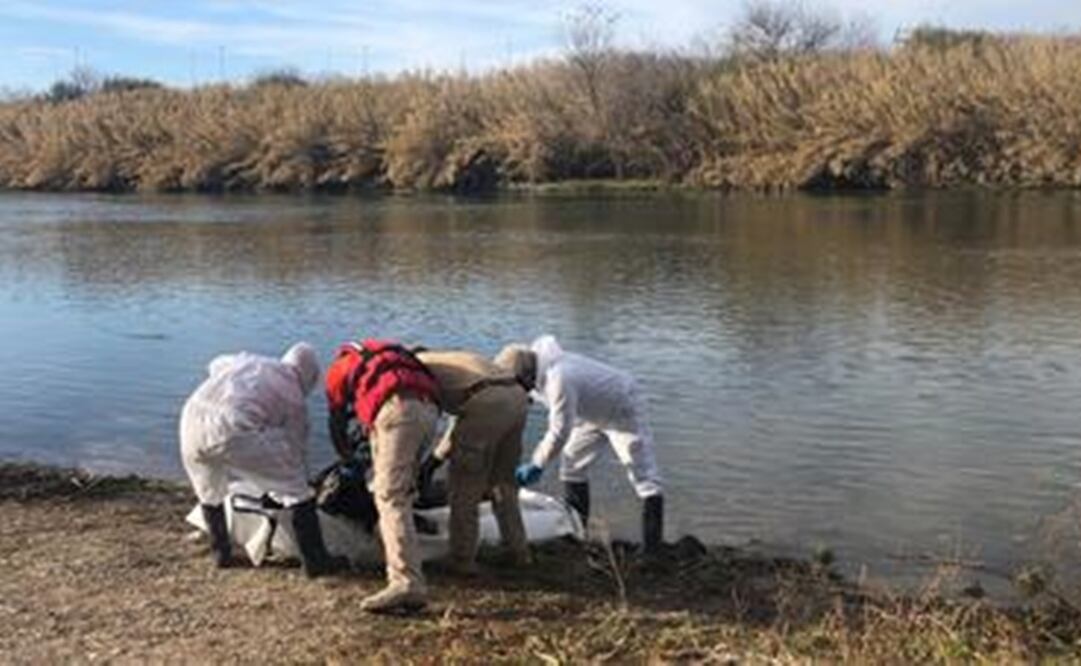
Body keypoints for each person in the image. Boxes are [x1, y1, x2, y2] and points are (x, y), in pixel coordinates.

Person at [179, 342, 346, 577]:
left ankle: (221, 554)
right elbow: (296, 449)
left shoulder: (246, 360)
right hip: (234, 426)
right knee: (297, 492)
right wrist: (299, 483)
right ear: (308, 376)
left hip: (192, 418)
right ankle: (316, 561)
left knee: (209, 491)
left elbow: (215, 363)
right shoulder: (293, 395)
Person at [500, 335, 665, 553]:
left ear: (527, 376)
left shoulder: (559, 378)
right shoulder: (540, 372)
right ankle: (578, 533)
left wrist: (536, 464)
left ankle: (653, 549)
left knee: (643, 475)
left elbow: (559, 431)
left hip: (622, 408)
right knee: (571, 467)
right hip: (590, 414)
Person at [325, 339, 440, 613]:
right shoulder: (390, 357)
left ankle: (406, 583)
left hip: (398, 411)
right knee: (402, 492)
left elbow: (336, 419)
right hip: (430, 412)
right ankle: (393, 550)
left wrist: (345, 457)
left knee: (390, 497)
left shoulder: (340, 367)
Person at [415, 349, 532, 575]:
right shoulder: (449, 359)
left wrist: (428, 463)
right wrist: (434, 460)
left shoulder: (415, 370)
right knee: (504, 484)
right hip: (517, 397)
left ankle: (462, 560)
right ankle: (518, 551)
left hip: (487, 403)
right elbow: (462, 421)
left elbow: (452, 422)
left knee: (464, 487)